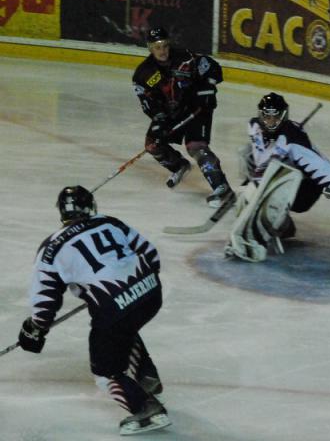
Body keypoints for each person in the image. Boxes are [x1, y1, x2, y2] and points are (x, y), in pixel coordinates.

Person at [18, 186, 170, 435]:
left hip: (115, 308)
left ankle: (146, 409)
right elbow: (151, 255)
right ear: (90, 206)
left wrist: (36, 327)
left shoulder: (51, 249)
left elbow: (45, 300)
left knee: (105, 370)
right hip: (151, 294)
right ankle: (147, 378)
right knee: (124, 327)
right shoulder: (110, 222)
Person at [227, 92, 330, 261]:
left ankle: (254, 243)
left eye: (275, 117)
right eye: (267, 117)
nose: (270, 122)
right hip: (273, 180)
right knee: (246, 163)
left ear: (284, 116)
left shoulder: (294, 140)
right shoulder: (254, 126)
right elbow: (259, 153)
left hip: (304, 192)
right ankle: (283, 225)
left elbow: (323, 169)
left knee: (276, 180)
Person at [132, 26, 234, 209]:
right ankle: (179, 165)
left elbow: (212, 67)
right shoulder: (143, 74)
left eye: (164, 45)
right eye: (157, 47)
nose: (162, 50)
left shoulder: (186, 58)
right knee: (153, 144)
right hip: (173, 112)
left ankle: (221, 187)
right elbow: (148, 102)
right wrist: (159, 119)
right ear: (150, 48)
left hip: (197, 107)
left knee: (196, 146)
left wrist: (208, 87)